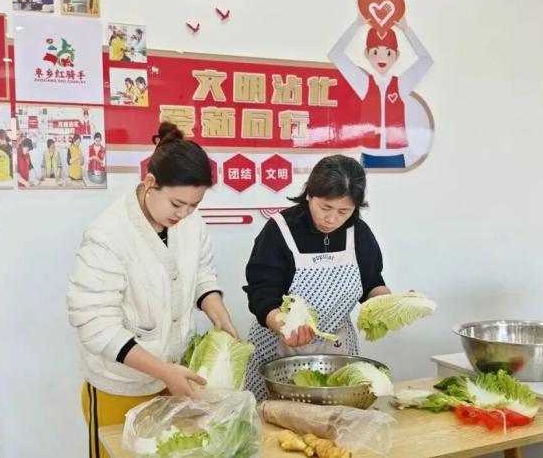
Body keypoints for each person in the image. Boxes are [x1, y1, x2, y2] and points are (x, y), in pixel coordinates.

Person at [67, 122, 239, 458]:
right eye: (177, 203)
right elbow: (95, 324)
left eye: (194, 205)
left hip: (175, 378)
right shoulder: (108, 235)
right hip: (121, 386)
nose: (184, 214)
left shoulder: (191, 223)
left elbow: (202, 274)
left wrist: (219, 314)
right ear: (149, 183)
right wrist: (163, 372)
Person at [243, 155, 392, 401]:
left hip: (337, 350)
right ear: (309, 194)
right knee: (276, 416)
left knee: (336, 415)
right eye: (325, 207)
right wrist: (283, 324)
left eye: (344, 211)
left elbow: (371, 283)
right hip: (280, 349)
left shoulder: (359, 233)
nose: (332, 219)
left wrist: (389, 303)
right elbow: (262, 293)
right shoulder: (280, 230)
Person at [328, 15, 433, 169]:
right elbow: (336, 54)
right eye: (375, 52)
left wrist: (406, 29)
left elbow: (426, 60)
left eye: (389, 53)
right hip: (369, 154)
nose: (382, 58)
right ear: (367, 53)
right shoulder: (364, 83)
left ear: (396, 56)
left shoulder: (401, 84)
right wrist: (356, 25)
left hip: (396, 154)